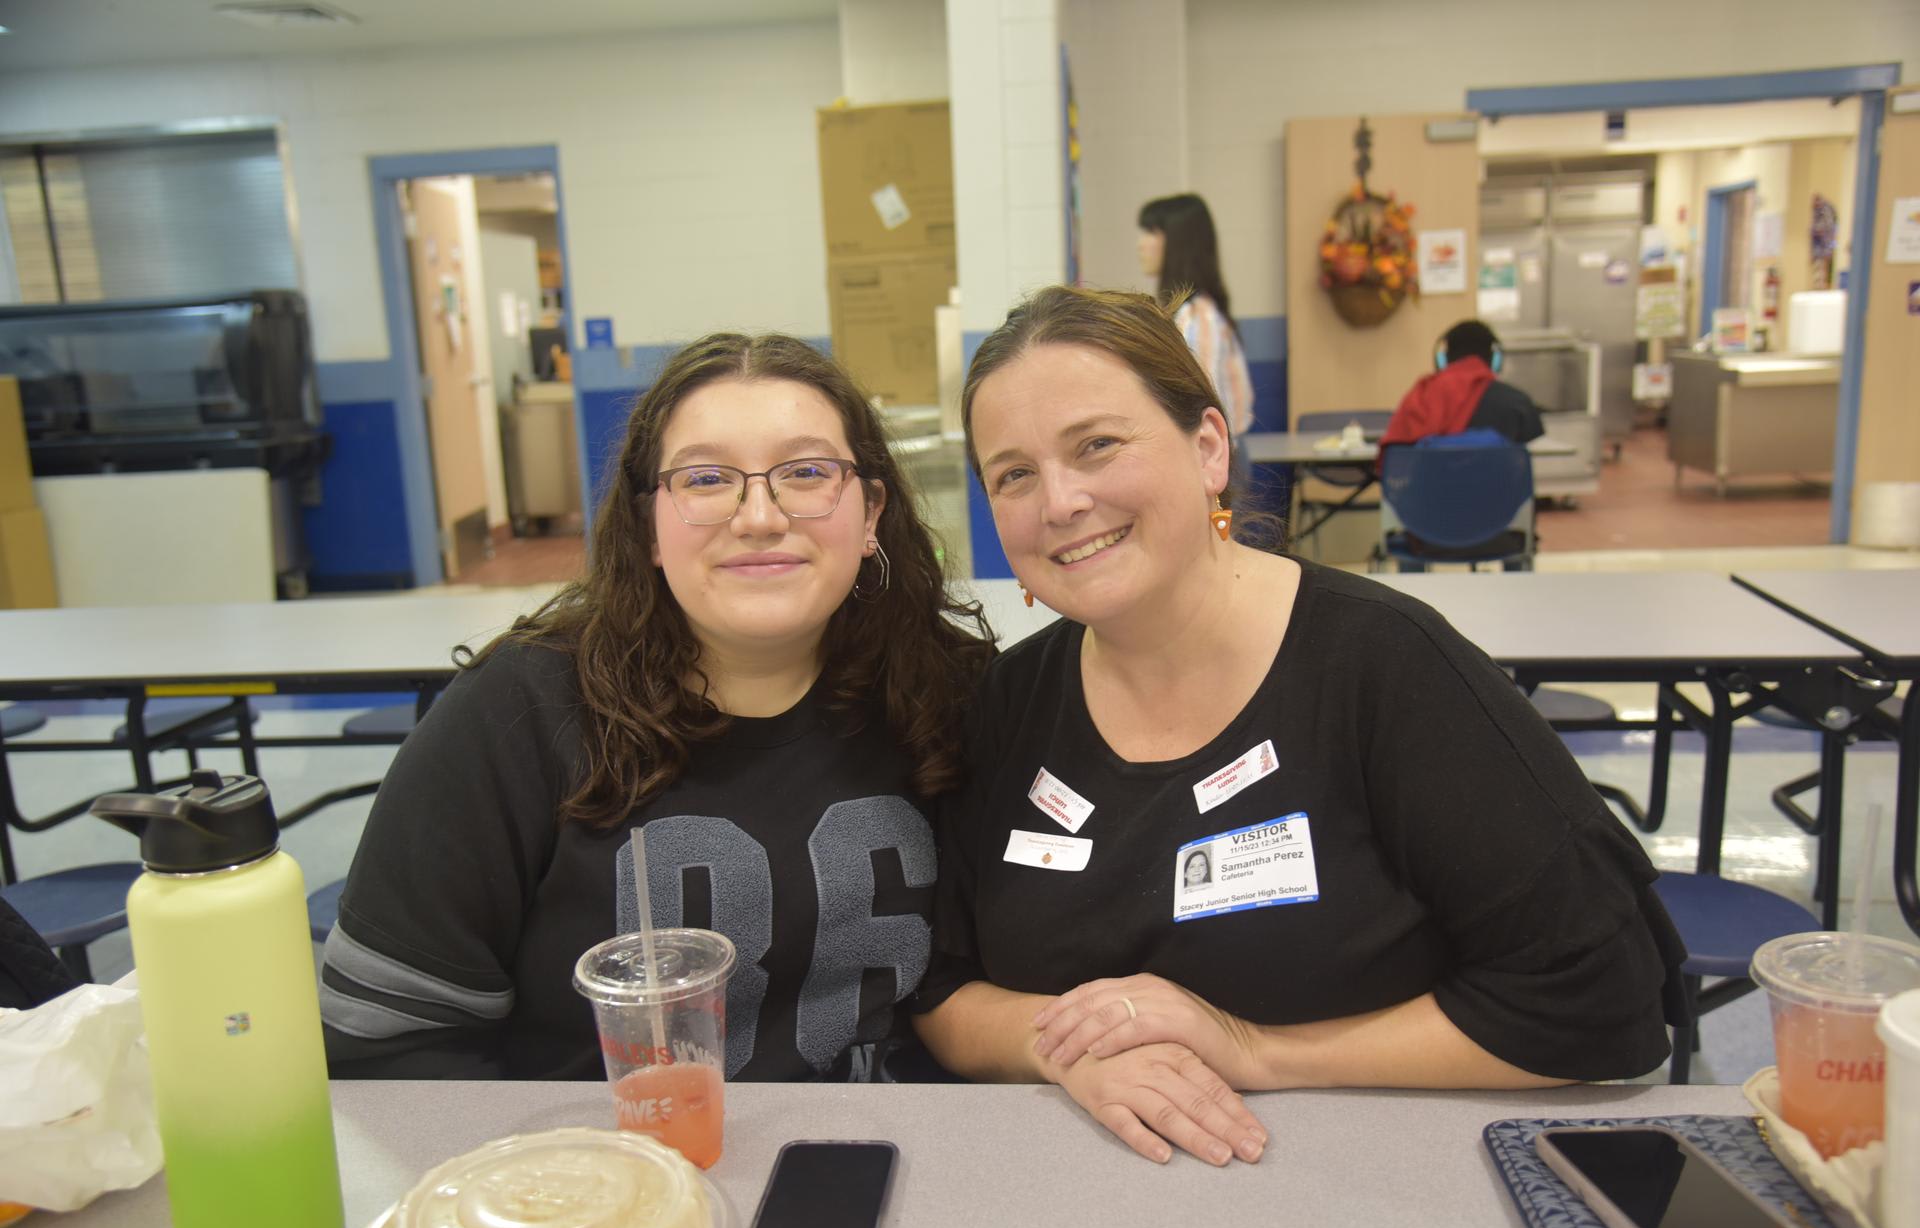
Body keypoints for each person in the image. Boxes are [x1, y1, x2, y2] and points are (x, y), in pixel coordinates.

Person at [912, 286, 1683, 1168]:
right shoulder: (1008, 703)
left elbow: (1600, 1000)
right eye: (1013, 474)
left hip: (1373, 1185)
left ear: (1208, 447)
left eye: (1097, 445)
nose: (1060, 501)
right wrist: (1072, 1048)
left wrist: (1256, 1051)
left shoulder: (1385, 670)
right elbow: (938, 992)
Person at [320, 333, 995, 1082]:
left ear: (870, 512)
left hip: (896, 1144)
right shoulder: (517, 712)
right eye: (705, 479)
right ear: (648, 527)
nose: (759, 516)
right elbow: (387, 1042)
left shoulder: (955, 694)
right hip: (604, 1151)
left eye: (807, 472)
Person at [1137, 195, 1254, 479]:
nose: (1140, 244)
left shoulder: (1198, 319)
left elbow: (1201, 401)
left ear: (1177, 243)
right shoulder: (1191, 314)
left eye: (1151, 232)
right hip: (1212, 457)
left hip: (1210, 460)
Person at [1381, 319, 1543, 449]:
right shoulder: (1517, 402)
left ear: (1442, 359)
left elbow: (1395, 454)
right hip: (1496, 482)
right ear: (1495, 359)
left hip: (1430, 482)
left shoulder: (1419, 397)